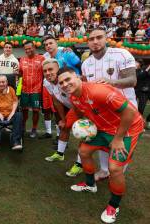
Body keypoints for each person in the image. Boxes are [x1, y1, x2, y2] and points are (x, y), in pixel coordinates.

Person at [57, 67, 143, 224]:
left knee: (115, 168)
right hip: (103, 128)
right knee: (83, 151)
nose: (65, 84)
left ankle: (114, 206)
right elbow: (80, 112)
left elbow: (130, 112)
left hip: (128, 128)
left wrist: (118, 139)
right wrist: (82, 127)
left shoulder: (98, 91)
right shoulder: (73, 97)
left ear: (77, 77)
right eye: (61, 82)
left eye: (68, 79)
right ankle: (90, 185)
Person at [82, 28, 137, 181]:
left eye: (99, 37)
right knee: (104, 142)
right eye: (91, 39)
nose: (95, 42)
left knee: (120, 144)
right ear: (88, 42)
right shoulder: (86, 64)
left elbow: (132, 80)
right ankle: (104, 170)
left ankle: (117, 172)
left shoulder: (121, 54)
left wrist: (112, 82)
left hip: (125, 110)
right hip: (102, 112)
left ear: (106, 38)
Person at [42, 59, 83, 177]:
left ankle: (80, 164)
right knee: (64, 126)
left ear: (58, 69)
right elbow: (56, 100)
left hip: (83, 106)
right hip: (71, 106)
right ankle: (60, 153)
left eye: (51, 69)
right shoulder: (46, 82)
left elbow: (80, 98)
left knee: (84, 133)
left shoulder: (68, 81)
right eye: (45, 71)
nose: (48, 73)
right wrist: (63, 118)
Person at [0, 75, 23, 150]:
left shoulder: (11, 90)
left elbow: (15, 101)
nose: (1, 84)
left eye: (3, 82)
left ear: (6, 82)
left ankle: (16, 141)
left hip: (10, 114)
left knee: (19, 115)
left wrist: (12, 113)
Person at [19, 41, 45, 138]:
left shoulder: (42, 58)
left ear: (34, 47)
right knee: (24, 110)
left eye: (29, 48)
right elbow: (20, 73)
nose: (28, 50)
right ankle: (23, 127)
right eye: (26, 49)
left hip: (36, 90)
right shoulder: (22, 59)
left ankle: (34, 128)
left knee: (35, 111)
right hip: (24, 89)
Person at [135, 60, 150, 128]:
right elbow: (139, 76)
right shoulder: (137, 70)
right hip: (140, 91)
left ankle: (148, 120)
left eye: (136, 62)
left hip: (147, 90)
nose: (135, 63)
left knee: (141, 107)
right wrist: (147, 69)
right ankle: (137, 122)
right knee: (140, 108)